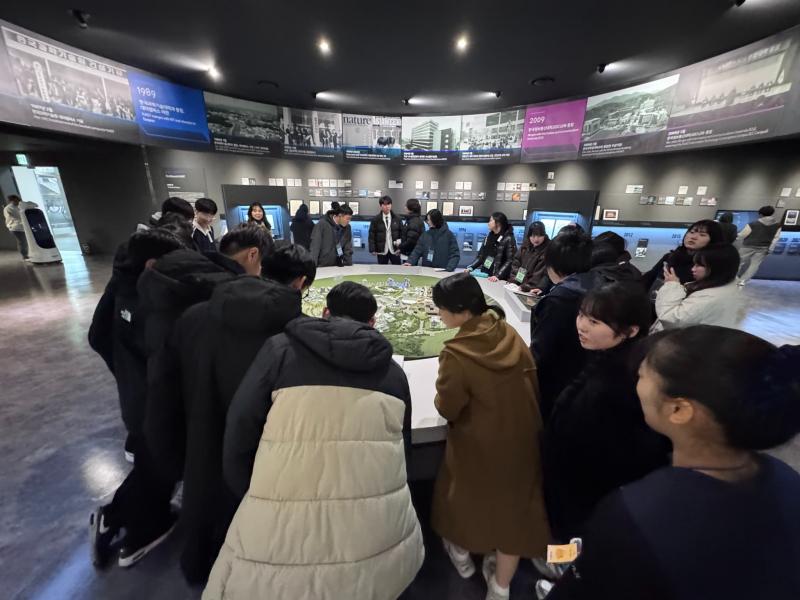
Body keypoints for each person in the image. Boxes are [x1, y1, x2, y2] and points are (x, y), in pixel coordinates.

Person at [205, 282, 424, 599]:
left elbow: (240, 426)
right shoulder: (393, 374)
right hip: (375, 547)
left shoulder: (279, 351)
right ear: (373, 322)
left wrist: (253, 493)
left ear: (324, 312)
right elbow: (403, 454)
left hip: (275, 533)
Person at [546, 326, 800, 600]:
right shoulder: (788, 480)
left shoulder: (635, 515)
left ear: (679, 410)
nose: (636, 382)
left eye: (643, 375)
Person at [89, 227, 271, 570]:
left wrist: (128, 375)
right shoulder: (168, 299)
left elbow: (97, 336)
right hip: (161, 401)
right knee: (162, 465)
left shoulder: (124, 288)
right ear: (153, 264)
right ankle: (133, 529)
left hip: (139, 397)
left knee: (154, 463)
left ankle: (116, 517)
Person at [174, 242, 315, 584]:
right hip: (266, 457)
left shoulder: (195, 315)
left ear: (263, 267)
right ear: (300, 283)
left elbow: (166, 384)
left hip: (201, 439)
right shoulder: (300, 335)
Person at [430, 273, 550, 600]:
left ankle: (462, 559)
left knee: (462, 504)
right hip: (523, 438)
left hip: (478, 446)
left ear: (459, 310)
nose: (439, 314)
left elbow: (449, 407)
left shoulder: (457, 353)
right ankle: (500, 588)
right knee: (515, 516)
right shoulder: (507, 332)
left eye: (441, 308)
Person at [543, 284, 670, 542]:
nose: (582, 326)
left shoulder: (626, 381)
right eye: (581, 315)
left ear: (631, 330)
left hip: (588, 488)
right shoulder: (604, 358)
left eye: (594, 322)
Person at [530, 230, 595, 423]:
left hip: (557, 385)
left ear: (554, 264)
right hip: (583, 381)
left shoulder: (560, 299)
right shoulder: (594, 285)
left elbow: (542, 351)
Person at [652, 243, 742, 331]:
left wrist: (671, 285)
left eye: (699, 265)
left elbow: (671, 319)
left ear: (717, 267)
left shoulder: (709, 298)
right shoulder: (725, 284)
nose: (693, 269)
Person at [642, 220, 723, 291]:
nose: (693, 237)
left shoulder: (708, 265)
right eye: (691, 232)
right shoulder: (670, 257)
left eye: (702, 235)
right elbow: (649, 277)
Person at [736, 205, 782, 286]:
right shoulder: (777, 225)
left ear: (760, 214)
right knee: (754, 265)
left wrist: (737, 237)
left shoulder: (753, 224)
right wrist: (770, 249)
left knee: (738, 262)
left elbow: (742, 235)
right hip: (763, 248)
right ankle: (742, 281)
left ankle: (733, 278)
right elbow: (776, 238)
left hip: (747, 246)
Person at [467, 212, 517, 282]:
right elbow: (481, 256)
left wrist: (498, 275)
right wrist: (471, 267)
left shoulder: (508, 238)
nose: (488, 223)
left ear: (498, 222)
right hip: (485, 274)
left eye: (490, 220)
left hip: (499, 279)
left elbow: (510, 260)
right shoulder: (488, 238)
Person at [509, 221, 549, 291]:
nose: (536, 239)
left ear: (544, 235)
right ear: (529, 235)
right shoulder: (525, 246)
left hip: (533, 289)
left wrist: (526, 286)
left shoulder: (547, 250)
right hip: (517, 286)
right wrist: (515, 281)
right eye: (533, 236)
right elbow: (516, 263)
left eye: (539, 236)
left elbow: (539, 274)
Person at [309, 202, 348, 267]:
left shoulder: (339, 227)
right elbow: (315, 246)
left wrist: (342, 260)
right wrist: (312, 266)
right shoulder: (321, 224)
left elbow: (339, 245)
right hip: (322, 265)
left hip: (335, 265)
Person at [368, 195, 402, 265]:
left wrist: (401, 248)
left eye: (389, 204)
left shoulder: (397, 218)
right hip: (381, 251)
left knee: (397, 269)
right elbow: (372, 235)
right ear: (381, 206)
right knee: (382, 269)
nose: (387, 206)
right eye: (385, 204)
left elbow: (402, 234)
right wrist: (372, 249)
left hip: (395, 250)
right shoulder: (375, 219)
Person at [3, 194, 28, 261]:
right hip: (15, 228)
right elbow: (15, 217)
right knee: (22, 241)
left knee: (24, 241)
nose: (17, 202)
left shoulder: (20, 206)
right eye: (15, 200)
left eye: (17, 200)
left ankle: (26, 254)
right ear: (11, 201)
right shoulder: (8, 208)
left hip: (22, 227)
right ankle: (25, 256)